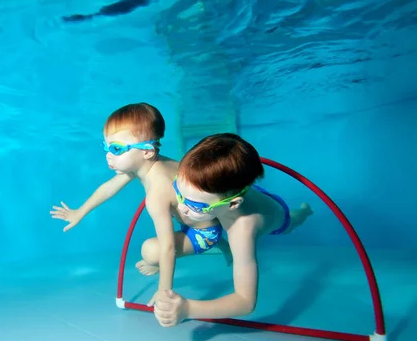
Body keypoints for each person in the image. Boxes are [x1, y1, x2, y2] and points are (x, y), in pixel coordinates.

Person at [50, 103, 232, 304]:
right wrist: (79, 212)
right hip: (197, 217)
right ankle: (224, 244)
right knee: (174, 234)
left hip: (204, 232)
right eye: (106, 146)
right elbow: (109, 187)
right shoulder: (150, 162)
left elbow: (168, 246)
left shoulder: (157, 192)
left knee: (149, 251)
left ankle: (217, 241)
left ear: (146, 151)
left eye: (116, 148)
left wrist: (164, 290)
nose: (108, 155)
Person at [150, 133, 314, 327]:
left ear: (233, 205)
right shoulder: (207, 195)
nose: (181, 206)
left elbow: (246, 301)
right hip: (233, 196)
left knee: (292, 222)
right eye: (179, 191)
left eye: (194, 205)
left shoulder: (242, 229)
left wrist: (189, 309)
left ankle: (305, 211)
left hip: (276, 214)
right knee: (204, 210)